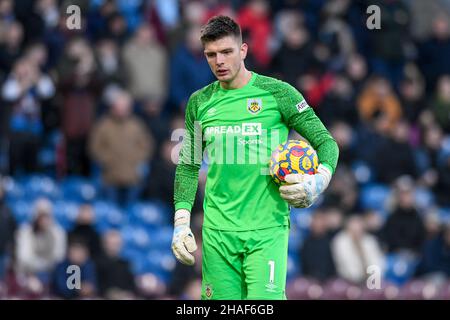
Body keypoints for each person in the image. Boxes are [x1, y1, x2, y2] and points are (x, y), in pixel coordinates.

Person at [171, 16, 339, 300]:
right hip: (217, 232)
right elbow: (188, 165)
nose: (219, 61)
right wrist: (181, 222)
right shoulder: (199, 102)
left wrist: (318, 182)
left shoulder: (279, 93)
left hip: (267, 228)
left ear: (244, 50)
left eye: (227, 52)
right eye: (211, 55)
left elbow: (326, 143)